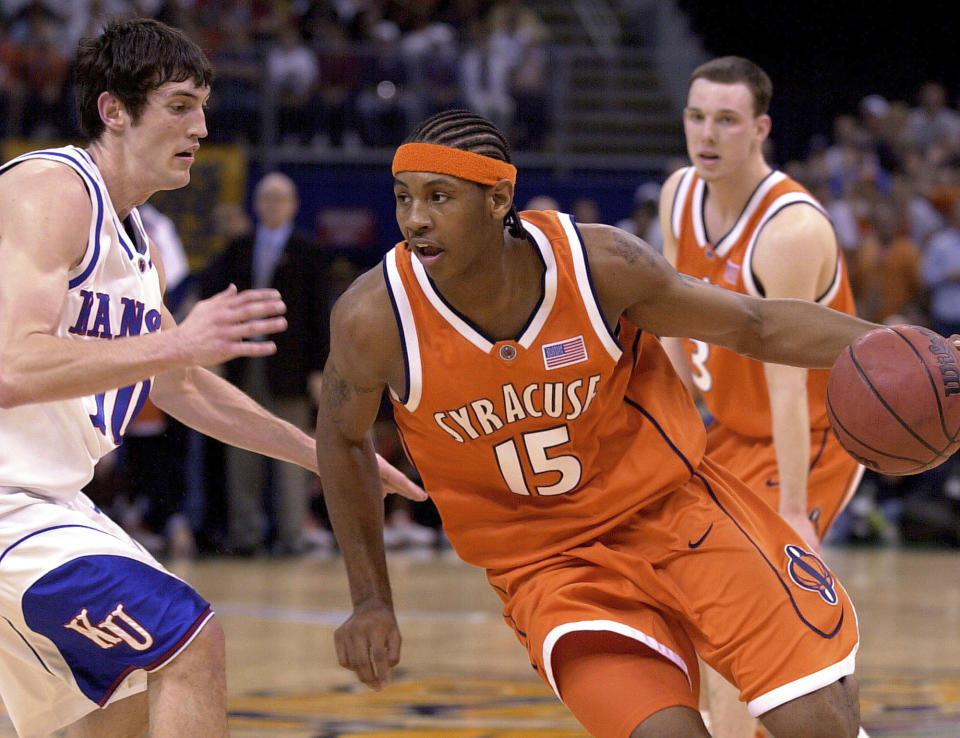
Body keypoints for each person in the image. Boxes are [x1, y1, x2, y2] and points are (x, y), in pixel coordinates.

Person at [315, 108, 881, 738]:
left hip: (675, 512)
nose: (415, 219)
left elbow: (754, 323)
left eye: (438, 197)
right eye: (403, 199)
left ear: (498, 198)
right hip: (549, 567)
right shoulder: (375, 318)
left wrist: (899, 344)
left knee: (815, 718)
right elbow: (340, 438)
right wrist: (370, 599)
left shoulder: (600, 266)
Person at [0, 18, 422, 737]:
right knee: (189, 643)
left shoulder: (136, 240)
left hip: (48, 501)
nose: (202, 124)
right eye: (179, 105)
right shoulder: (51, 189)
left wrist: (328, 455)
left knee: (121, 706)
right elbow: (11, 365)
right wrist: (178, 344)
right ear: (114, 110)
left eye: (203, 104)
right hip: (10, 504)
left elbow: (182, 386)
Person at [658, 56, 868, 738]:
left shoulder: (791, 230)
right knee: (688, 607)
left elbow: (786, 381)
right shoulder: (678, 196)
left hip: (812, 434)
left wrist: (792, 512)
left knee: (741, 613)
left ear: (760, 129)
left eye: (726, 119)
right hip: (728, 429)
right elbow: (667, 328)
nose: (707, 133)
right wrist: (667, 440)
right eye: (697, 116)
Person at [201, 171, 330, 556]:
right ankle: (246, 534)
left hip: (290, 368)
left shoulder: (308, 251)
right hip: (243, 364)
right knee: (241, 452)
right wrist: (215, 356)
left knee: (292, 452)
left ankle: (291, 537)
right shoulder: (238, 248)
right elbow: (214, 299)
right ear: (256, 205)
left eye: (280, 198)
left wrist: (319, 370)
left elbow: (319, 315)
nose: (273, 205)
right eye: (266, 198)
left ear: (292, 205)